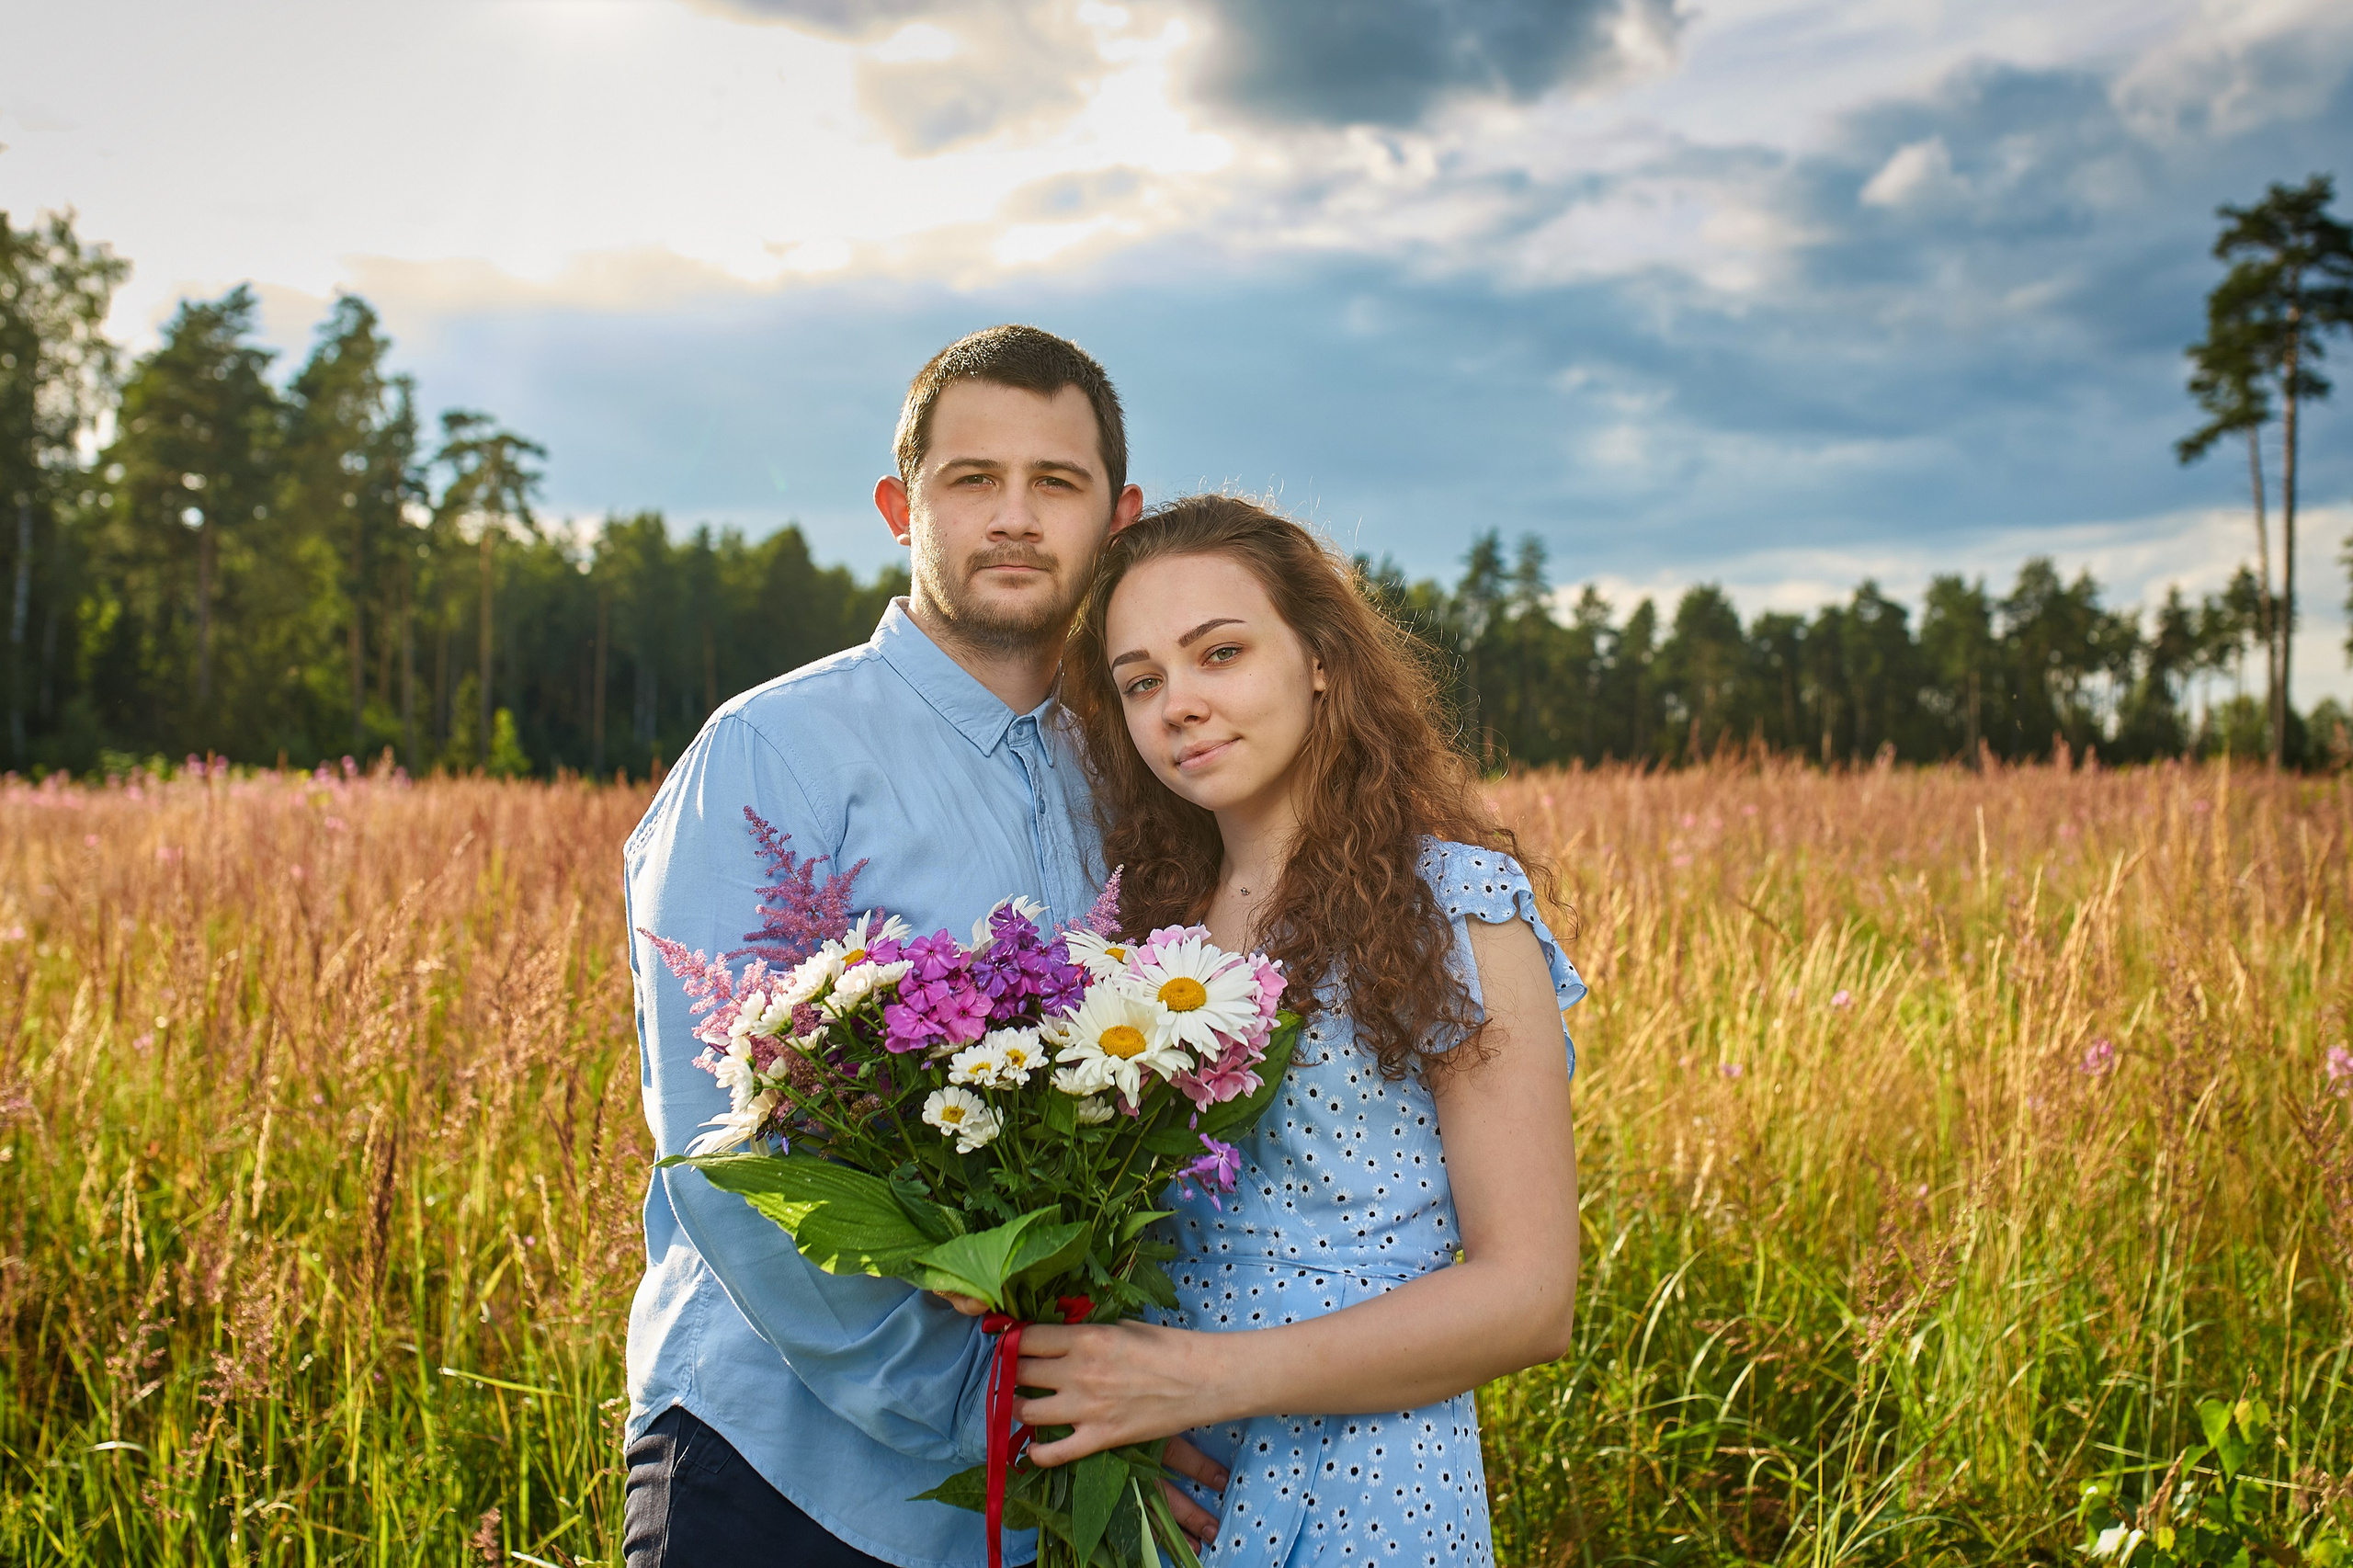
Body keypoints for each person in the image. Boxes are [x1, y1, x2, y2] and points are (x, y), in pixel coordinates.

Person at [620, 325, 1227, 1566]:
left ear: (1118, 516)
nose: (1014, 516)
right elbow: (727, 1162)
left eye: (1054, 483)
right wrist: (981, 1414)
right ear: (903, 505)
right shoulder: (772, 753)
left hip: (1059, 1489)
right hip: (787, 1476)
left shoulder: (1136, 770)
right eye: (972, 479)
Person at [1007, 494, 1587, 1563]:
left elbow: (1529, 1295)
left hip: (1370, 1485)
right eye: (1141, 681)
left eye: (1218, 653)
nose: (1178, 703)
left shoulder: (1453, 906)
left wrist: (1196, 1377)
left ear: (1321, 657)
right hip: (1166, 1488)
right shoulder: (1143, 931)